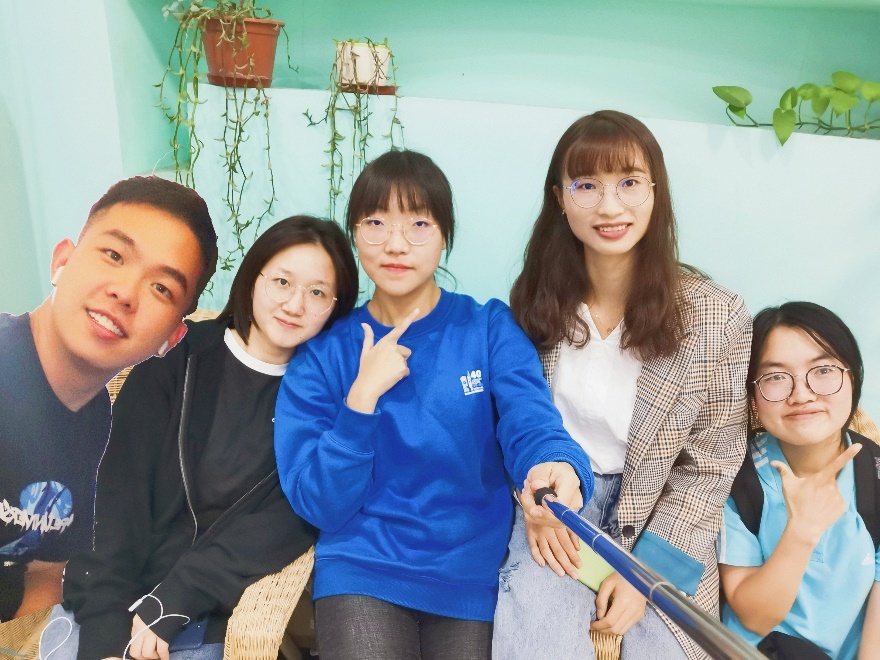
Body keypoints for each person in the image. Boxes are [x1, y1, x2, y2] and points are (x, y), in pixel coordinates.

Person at [273, 150, 593, 660]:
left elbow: (529, 419)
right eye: (375, 223)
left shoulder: (488, 327)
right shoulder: (323, 354)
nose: (396, 244)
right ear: (354, 234)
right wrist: (361, 399)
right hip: (362, 570)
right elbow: (319, 503)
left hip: (467, 576)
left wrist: (554, 462)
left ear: (445, 235)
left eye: (418, 223)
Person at [492, 110, 752, 659]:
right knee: (535, 644)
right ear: (560, 199)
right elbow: (513, 417)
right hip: (562, 505)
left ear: (656, 192)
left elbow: (711, 464)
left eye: (630, 182)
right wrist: (536, 500)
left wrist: (647, 574)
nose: (610, 207)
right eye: (587, 186)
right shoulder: (534, 302)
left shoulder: (717, 314)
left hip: (662, 513)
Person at [46, 216, 359, 660]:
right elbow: (115, 491)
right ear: (253, 277)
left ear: (336, 307)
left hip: (202, 613)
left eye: (318, 293)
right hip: (104, 596)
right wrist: (107, 632)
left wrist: (176, 599)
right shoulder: (179, 352)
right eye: (282, 282)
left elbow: (287, 524)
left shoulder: (321, 401)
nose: (294, 305)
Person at [0, 176, 217, 630]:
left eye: (162, 288)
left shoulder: (102, 430)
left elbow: (46, 570)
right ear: (62, 260)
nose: (125, 292)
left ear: (172, 337)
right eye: (114, 255)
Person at [718, 302, 880, 659]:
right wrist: (801, 532)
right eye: (776, 377)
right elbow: (754, 618)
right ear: (752, 395)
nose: (802, 395)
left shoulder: (875, 472)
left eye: (823, 370)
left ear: (853, 377)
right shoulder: (734, 476)